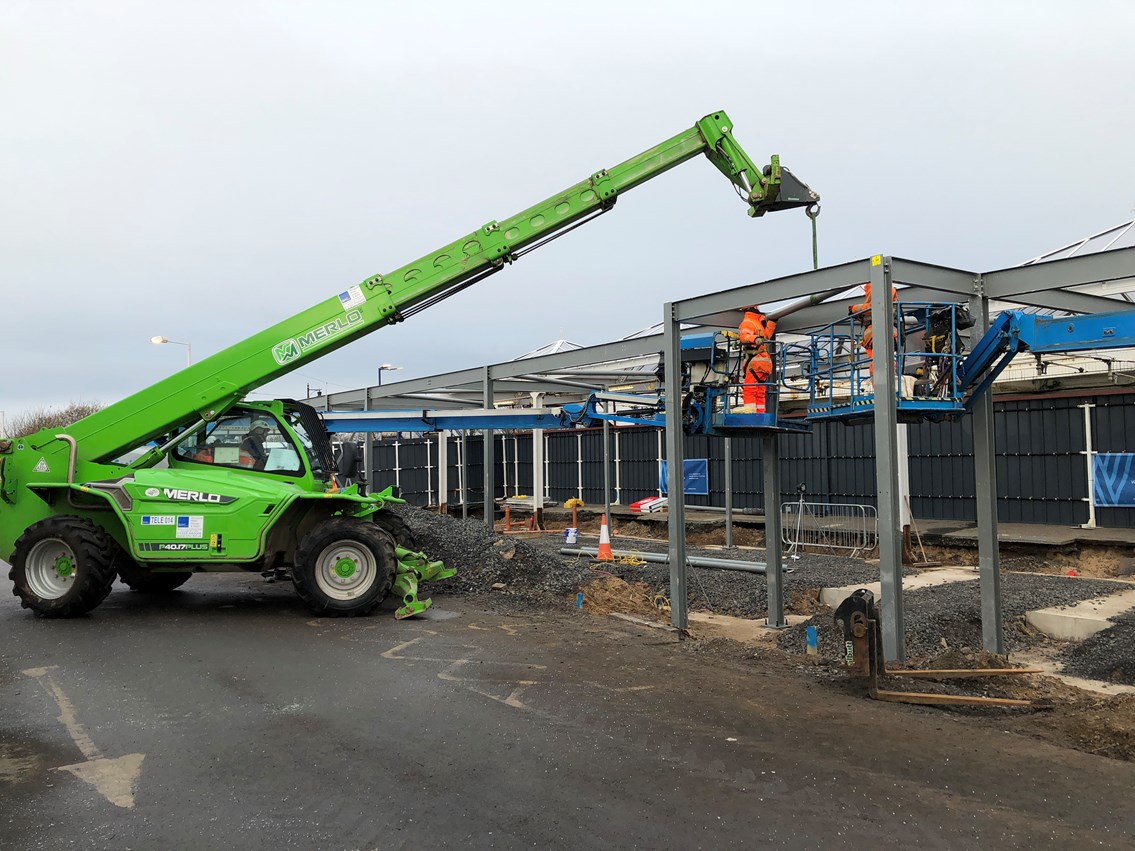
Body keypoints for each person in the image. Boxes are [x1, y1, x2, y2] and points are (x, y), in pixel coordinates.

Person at [735, 306, 776, 413]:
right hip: (765, 365)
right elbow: (766, 336)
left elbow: (744, 337)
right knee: (760, 392)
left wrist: (754, 339)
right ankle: (760, 414)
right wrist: (772, 322)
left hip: (755, 364)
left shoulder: (747, 322)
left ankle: (751, 415)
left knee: (749, 389)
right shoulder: (758, 323)